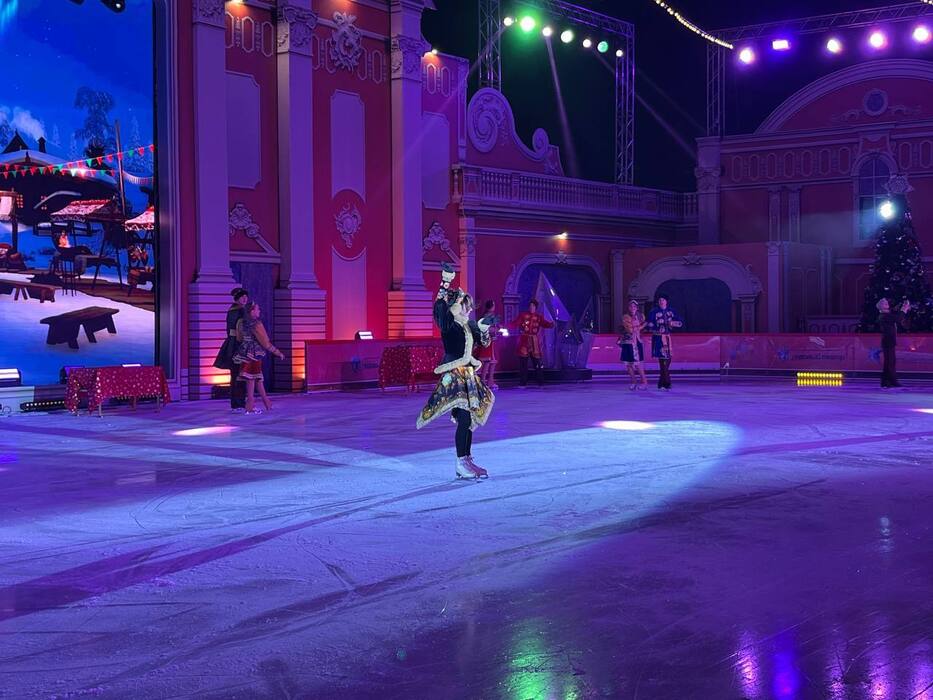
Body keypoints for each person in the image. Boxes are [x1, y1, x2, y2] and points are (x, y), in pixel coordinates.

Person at [416, 264, 495, 480]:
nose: (469, 310)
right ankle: (461, 462)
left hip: (468, 374)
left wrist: (485, 329)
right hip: (454, 375)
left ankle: (466, 459)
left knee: (468, 419)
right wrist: (445, 282)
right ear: (456, 306)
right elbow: (439, 309)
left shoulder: (468, 326)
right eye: (465, 306)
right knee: (464, 418)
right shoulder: (449, 324)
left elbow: (484, 342)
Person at [232, 302, 285, 415]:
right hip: (254, 354)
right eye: (257, 309)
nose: (259, 311)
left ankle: (267, 403)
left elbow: (239, 338)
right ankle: (250, 407)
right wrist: (277, 352)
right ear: (252, 311)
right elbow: (265, 343)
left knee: (257, 379)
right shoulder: (257, 324)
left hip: (244, 352)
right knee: (252, 379)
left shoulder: (241, 322)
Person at [213, 287, 249, 413]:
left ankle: (239, 403)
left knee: (238, 375)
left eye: (246, 297)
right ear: (237, 299)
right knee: (238, 375)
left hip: (235, 344)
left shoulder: (236, 310)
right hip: (237, 345)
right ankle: (238, 403)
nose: (245, 299)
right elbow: (241, 329)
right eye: (242, 297)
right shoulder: (238, 310)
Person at [646, 294, 684, 391]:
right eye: (660, 300)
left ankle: (661, 382)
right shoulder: (654, 311)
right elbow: (649, 324)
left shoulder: (671, 311)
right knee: (663, 360)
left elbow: (680, 322)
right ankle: (667, 382)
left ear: (666, 301)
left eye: (663, 300)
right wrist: (654, 325)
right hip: (658, 338)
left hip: (668, 338)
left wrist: (673, 323)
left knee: (667, 360)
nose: (661, 301)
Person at [515, 299, 554, 387]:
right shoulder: (523, 315)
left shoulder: (539, 317)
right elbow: (516, 323)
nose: (531, 307)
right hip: (524, 341)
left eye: (533, 306)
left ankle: (540, 381)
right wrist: (505, 326)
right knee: (523, 363)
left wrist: (551, 324)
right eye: (530, 306)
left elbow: (545, 324)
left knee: (537, 362)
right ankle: (523, 382)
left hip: (534, 341)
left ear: (536, 307)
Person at [878, 297, 910, 389]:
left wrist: (903, 307)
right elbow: (898, 318)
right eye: (884, 303)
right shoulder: (884, 316)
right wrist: (904, 309)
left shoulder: (887, 315)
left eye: (886, 302)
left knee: (890, 361)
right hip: (888, 340)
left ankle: (887, 381)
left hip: (889, 340)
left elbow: (895, 315)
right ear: (881, 306)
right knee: (890, 362)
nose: (887, 303)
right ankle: (890, 381)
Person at [619, 299, 648, 391]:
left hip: (637, 342)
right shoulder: (626, 317)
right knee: (628, 364)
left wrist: (639, 327)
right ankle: (633, 382)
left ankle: (644, 382)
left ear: (637, 308)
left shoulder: (641, 316)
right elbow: (630, 330)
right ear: (628, 308)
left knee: (638, 364)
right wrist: (641, 326)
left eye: (634, 306)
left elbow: (645, 326)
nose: (632, 308)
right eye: (631, 306)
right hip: (627, 342)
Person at [475, 299, 500, 390]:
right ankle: (486, 381)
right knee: (489, 362)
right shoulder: (488, 316)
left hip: (490, 341)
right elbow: (486, 329)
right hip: (489, 342)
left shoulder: (486, 316)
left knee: (490, 362)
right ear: (492, 306)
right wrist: (496, 330)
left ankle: (488, 381)